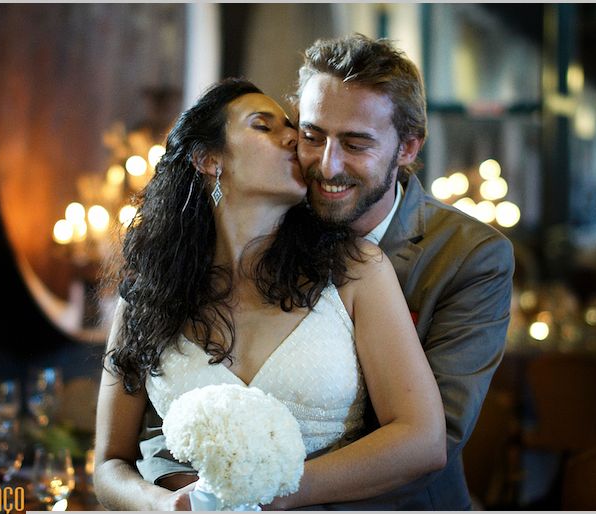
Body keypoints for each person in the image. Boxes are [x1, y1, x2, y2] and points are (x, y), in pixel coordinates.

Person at [136, 35, 515, 510]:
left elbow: (435, 435)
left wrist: (259, 492)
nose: (326, 165)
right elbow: (163, 405)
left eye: (356, 144)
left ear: (408, 147)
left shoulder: (471, 256)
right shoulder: (273, 219)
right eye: (312, 136)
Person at [93, 78, 446, 511]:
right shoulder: (147, 293)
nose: (294, 138)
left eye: (293, 127)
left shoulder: (356, 271)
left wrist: (275, 493)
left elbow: (423, 440)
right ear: (209, 159)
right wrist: (162, 506)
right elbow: (110, 464)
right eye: (264, 126)